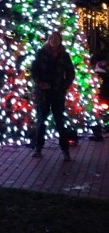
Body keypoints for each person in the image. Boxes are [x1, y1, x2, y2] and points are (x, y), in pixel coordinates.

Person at [30, 30, 75, 161]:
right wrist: (40, 83)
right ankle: (38, 147)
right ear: (48, 40)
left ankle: (65, 150)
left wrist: (64, 85)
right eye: (52, 38)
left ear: (60, 41)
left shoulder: (64, 55)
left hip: (57, 92)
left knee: (60, 121)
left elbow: (70, 73)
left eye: (56, 38)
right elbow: (34, 70)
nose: (54, 40)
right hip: (43, 92)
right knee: (41, 120)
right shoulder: (41, 53)